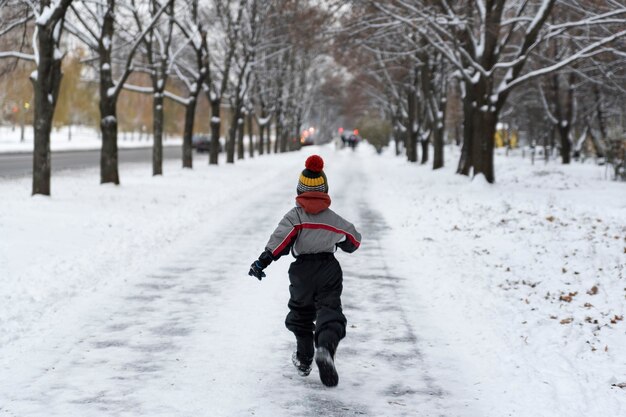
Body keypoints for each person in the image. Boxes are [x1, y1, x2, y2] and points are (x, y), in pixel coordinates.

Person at [248, 155, 361, 387]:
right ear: (325, 189)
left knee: (301, 314)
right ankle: (326, 347)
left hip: (302, 272)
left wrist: (262, 261)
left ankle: (304, 358)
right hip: (329, 269)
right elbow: (354, 241)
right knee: (329, 310)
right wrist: (338, 241)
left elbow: (279, 241)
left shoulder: (295, 216)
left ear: (300, 189)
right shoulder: (333, 220)